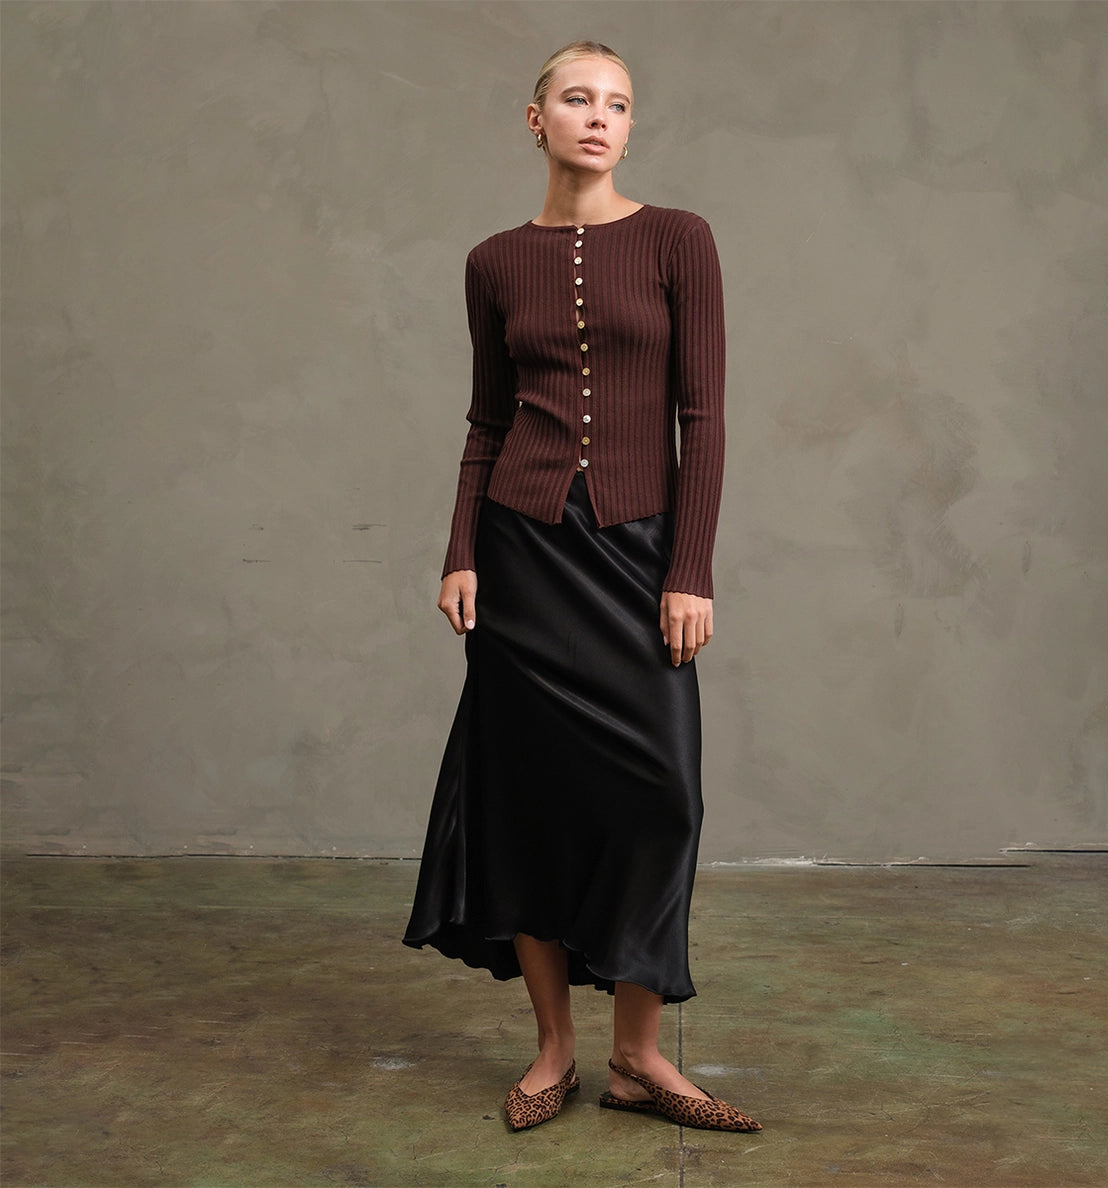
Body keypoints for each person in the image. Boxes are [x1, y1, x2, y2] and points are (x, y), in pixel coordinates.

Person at [402, 40, 759, 1134]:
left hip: (637, 553)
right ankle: (555, 1048)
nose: (600, 117)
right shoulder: (492, 261)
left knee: (663, 795)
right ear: (537, 120)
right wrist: (461, 551)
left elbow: (705, 417)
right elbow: (486, 421)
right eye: (577, 99)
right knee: (527, 803)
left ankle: (639, 1056)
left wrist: (689, 569)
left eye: (618, 104)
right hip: (523, 557)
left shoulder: (678, 239)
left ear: (630, 127)